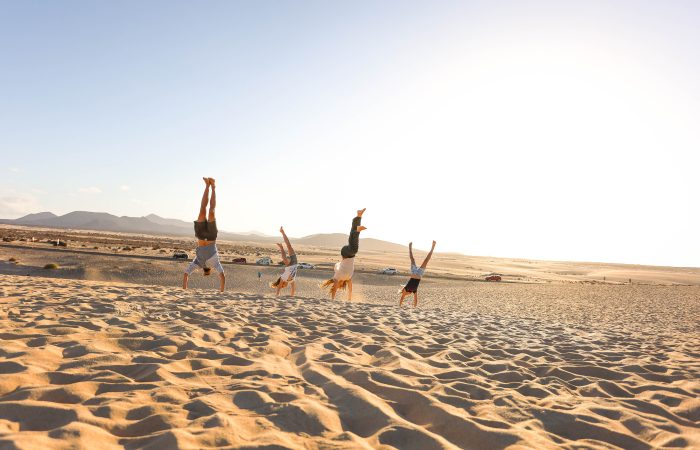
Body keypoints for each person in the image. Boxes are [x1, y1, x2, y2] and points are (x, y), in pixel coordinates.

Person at [183, 177, 225, 292]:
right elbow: (222, 276)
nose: (206, 270)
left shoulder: (198, 262)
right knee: (211, 211)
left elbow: (186, 274)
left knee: (202, 210)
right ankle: (213, 187)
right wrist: (222, 291)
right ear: (210, 270)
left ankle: (207, 185)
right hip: (211, 236)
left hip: (201, 235)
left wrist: (184, 289)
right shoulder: (215, 264)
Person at [321, 208, 366, 300]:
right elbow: (350, 288)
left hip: (345, 254)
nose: (339, 286)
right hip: (349, 254)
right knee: (352, 239)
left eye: (338, 286)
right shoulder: (347, 278)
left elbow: (334, 289)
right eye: (340, 286)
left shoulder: (336, 277)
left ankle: (357, 230)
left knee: (354, 248)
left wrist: (333, 298)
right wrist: (349, 297)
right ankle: (358, 216)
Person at [399, 240, 436, 307]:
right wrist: (414, 307)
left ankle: (409, 247)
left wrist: (400, 306)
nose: (406, 295)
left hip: (414, 272)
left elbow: (402, 299)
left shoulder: (405, 289)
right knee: (426, 260)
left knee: (412, 259)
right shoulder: (414, 291)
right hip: (419, 274)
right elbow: (416, 300)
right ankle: (433, 247)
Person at [270, 226, 298, 297]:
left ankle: (282, 233)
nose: (285, 286)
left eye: (283, 286)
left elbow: (279, 287)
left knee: (285, 257)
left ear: (282, 283)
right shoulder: (291, 280)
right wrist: (292, 296)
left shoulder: (283, 278)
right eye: (284, 286)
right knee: (289, 246)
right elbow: (293, 289)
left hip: (289, 265)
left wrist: (277, 294)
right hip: (295, 262)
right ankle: (282, 246)